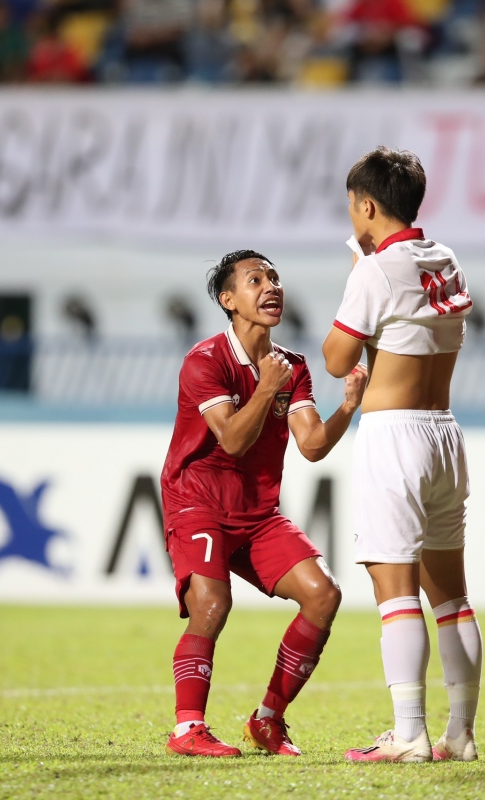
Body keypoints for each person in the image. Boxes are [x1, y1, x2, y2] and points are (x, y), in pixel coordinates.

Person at [160, 249, 368, 758]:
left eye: (274, 277)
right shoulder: (204, 361)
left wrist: (347, 406)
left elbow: (313, 444)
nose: (271, 286)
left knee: (323, 594)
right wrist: (265, 387)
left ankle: (268, 720)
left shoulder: (291, 366)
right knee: (211, 604)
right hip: (198, 502)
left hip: (257, 513)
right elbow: (231, 439)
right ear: (228, 300)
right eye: (256, 280)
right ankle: (188, 730)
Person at [322, 146, 481, 764]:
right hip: (444, 431)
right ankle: (460, 734)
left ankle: (409, 732)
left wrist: (359, 269)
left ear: (365, 204)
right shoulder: (445, 258)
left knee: (395, 592)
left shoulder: (375, 270)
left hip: (395, 436)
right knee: (452, 597)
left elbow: (337, 359)